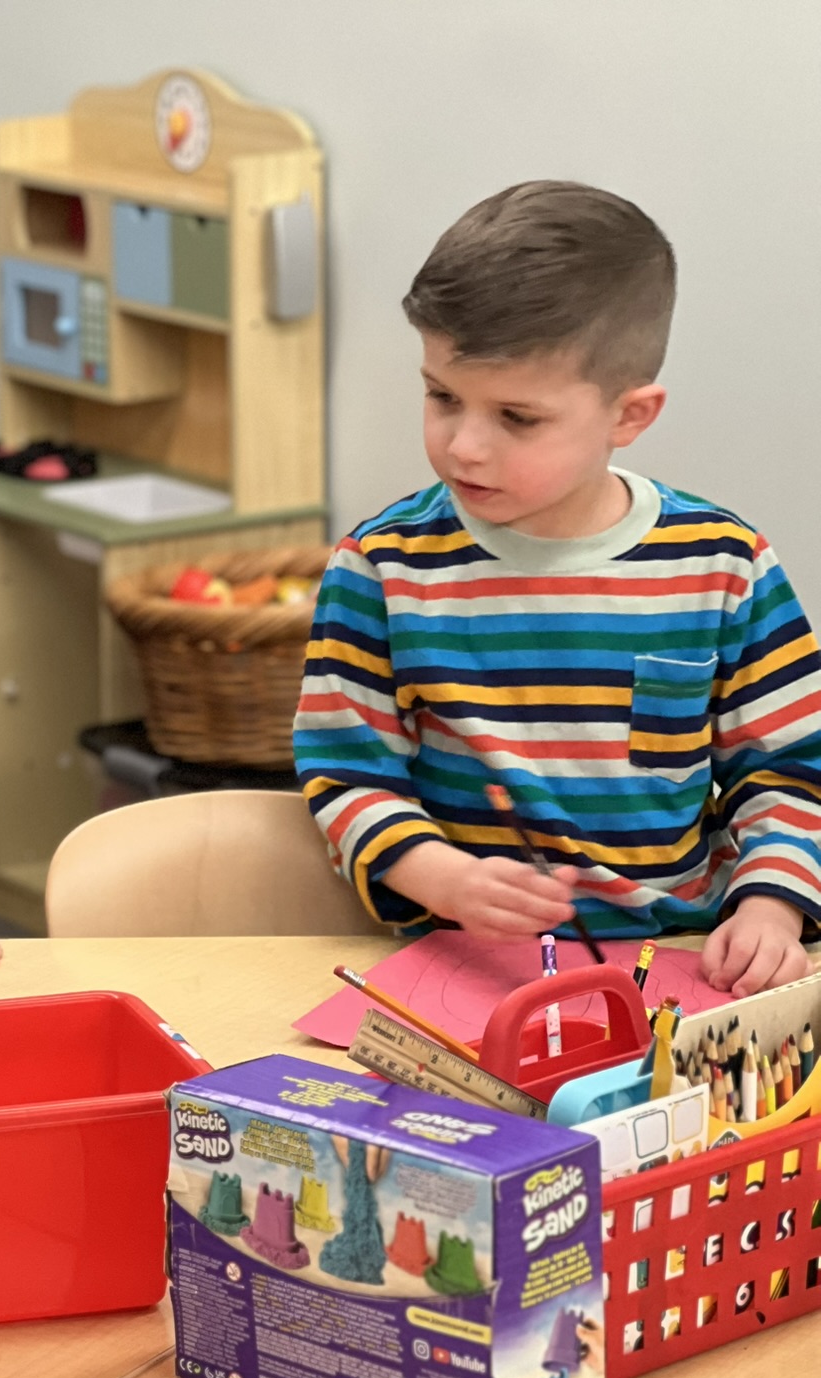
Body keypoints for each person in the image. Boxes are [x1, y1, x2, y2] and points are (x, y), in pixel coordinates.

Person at [295, 180, 821, 998]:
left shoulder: (725, 565)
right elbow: (346, 774)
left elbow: (790, 773)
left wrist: (771, 908)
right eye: (442, 396)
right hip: (465, 970)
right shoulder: (381, 567)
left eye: (517, 417)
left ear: (630, 416)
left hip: (684, 963)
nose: (464, 446)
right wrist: (440, 877)